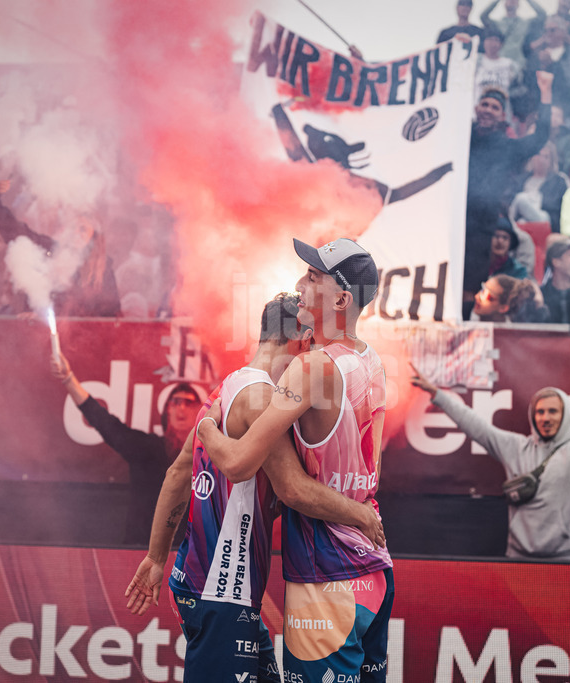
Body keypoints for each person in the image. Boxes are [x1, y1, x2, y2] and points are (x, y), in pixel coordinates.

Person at [124, 293, 384, 683]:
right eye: (311, 342)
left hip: (202, 581)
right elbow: (294, 488)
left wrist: (157, 557)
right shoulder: (263, 400)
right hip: (223, 590)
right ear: (299, 341)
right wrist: (360, 513)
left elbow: (176, 475)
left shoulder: (226, 387)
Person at [195, 238, 394, 683]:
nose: (300, 283)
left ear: (341, 298)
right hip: (376, 571)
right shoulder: (372, 360)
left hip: (327, 575)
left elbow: (242, 463)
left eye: (313, 277)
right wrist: (359, 511)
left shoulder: (311, 369)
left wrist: (205, 426)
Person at [410, 367, 570, 560]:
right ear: (533, 416)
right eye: (540, 412)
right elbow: (476, 426)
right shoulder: (515, 447)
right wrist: (437, 394)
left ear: (565, 415)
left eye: (553, 412)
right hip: (519, 560)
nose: (545, 418)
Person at [50, 349, 201, 545]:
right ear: (167, 412)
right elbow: (107, 424)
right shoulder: (148, 448)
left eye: (189, 403)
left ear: (200, 413)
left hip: (187, 559)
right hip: (139, 553)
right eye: (175, 402)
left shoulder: (207, 457)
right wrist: (69, 380)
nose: (181, 408)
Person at [466, 72, 553, 311]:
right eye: (484, 104)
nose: (488, 109)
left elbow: (541, 137)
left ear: (502, 115)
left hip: (483, 231)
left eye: (494, 107)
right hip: (453, 223)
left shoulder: (508, 147)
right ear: (475, 108)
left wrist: (546, 92)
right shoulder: (460, 138)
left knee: (470, 293)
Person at [0, 178, 121, 318]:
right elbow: (16, 232)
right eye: (73, 227)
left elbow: (110, 314)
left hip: (81, 337)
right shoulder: (50, 249)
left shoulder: (102, 269)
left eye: (83, 230)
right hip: (42, 335)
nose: (76, 233)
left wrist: (53, 318)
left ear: (93, 236)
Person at [509, 140, 570, 233]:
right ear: (532, 157)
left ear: (551, 161)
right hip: (522, 221)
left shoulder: (559, 182)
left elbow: (560, 208)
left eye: (546, 157)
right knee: (522, 221)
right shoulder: (520, 180)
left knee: (521, 198)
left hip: (546, 221)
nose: (541, 160)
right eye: (538, 155)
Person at [479, 0, 546, 80]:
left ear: (518, 4)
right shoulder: (497, 24)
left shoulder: (524, 23)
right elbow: (483, 16)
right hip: (500, 64)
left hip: (519, 64)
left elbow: (542, 15)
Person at [471, 273, 548, 322]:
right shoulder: (466, 316)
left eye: (488, 296)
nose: (477, 296)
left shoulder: (510, 336)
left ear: (503, 308)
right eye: (482, 289)